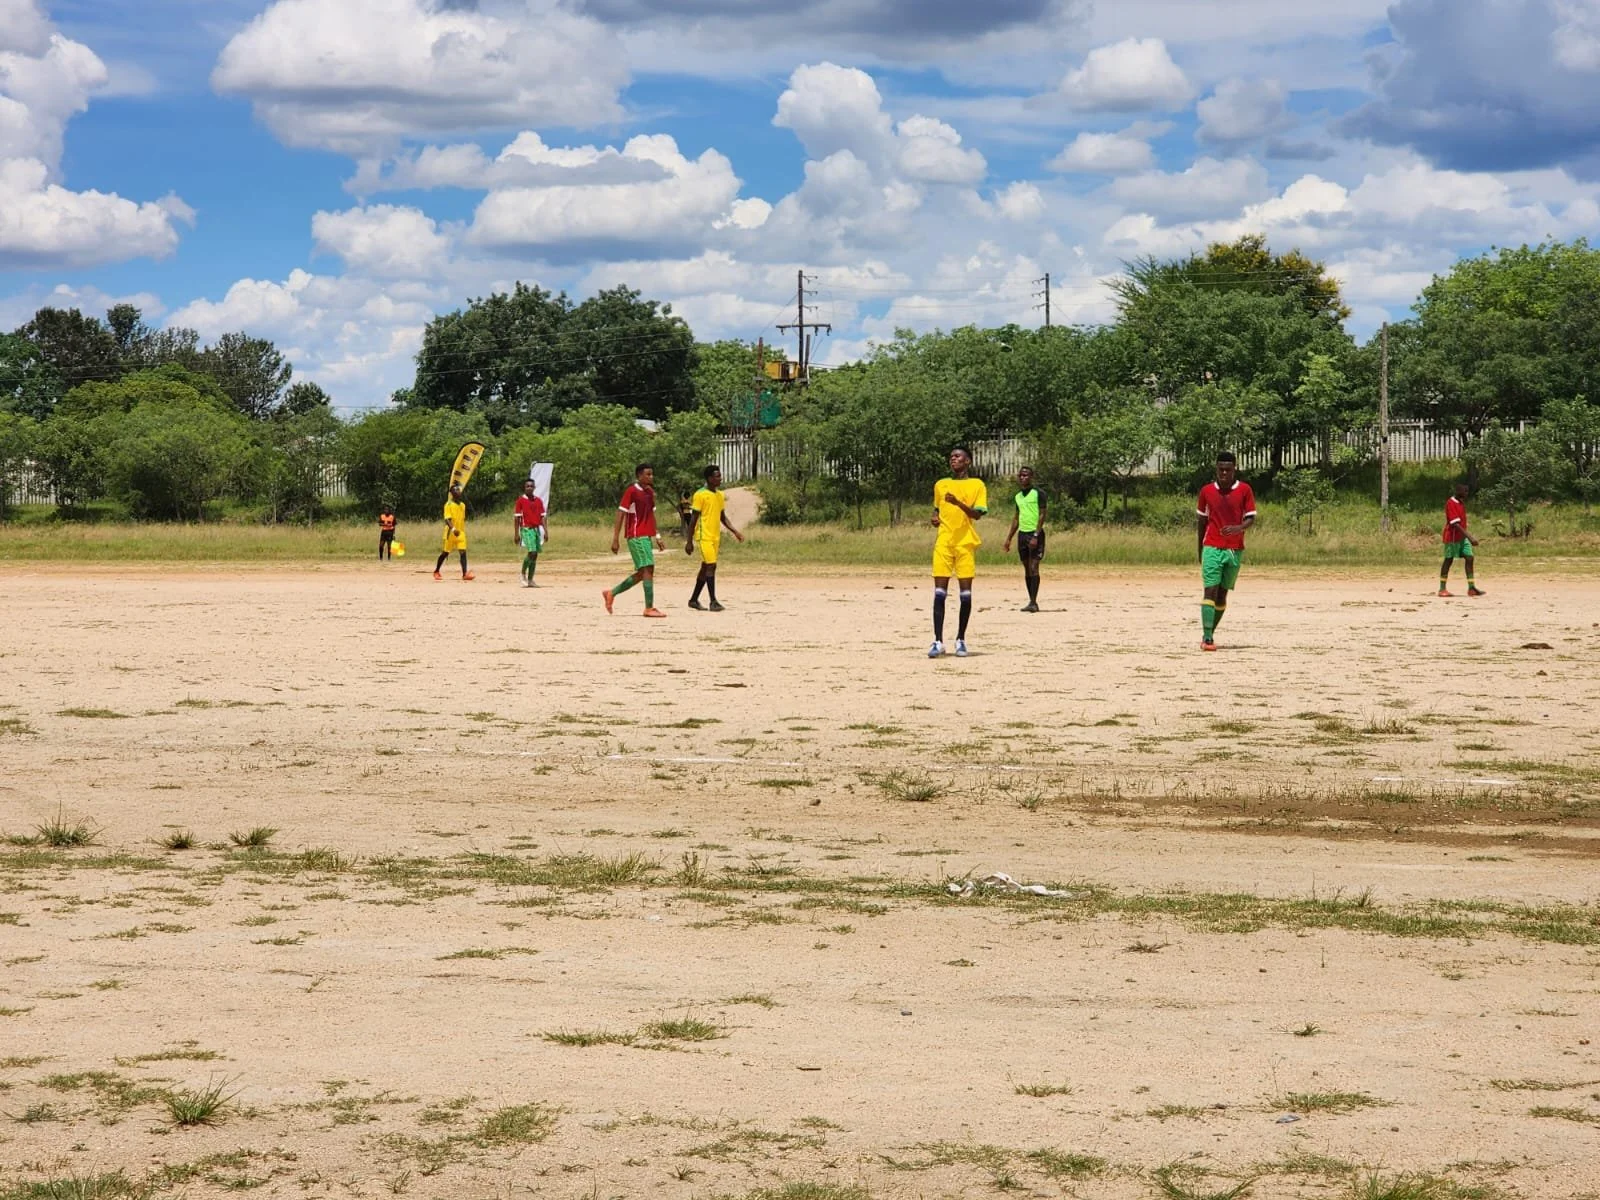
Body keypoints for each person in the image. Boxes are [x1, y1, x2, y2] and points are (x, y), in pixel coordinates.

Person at [929, 447, 987, 659]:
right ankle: (937, 641)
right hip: (944, 542)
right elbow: (937, 509)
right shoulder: (941, 484)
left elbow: (977, 515)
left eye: (958, 456)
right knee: (939, 593)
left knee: (965, 594)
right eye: (951, 456)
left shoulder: (977, 485)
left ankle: (961, 639)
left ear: (968, 461)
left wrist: (958, 503)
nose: (953, 459)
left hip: (965, 543)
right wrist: (935, 518)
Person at [1196, 451, 1256, 651]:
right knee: (1210, 590)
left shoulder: (1244, 490)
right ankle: (1208, 638)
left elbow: (1250, 517)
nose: (1223, 473)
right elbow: (1201, 521)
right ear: (1216, 469)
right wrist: (1200, 549)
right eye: (1220, 469)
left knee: (1222, 594)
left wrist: (1238, 528)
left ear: (1234, 469)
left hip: (1234, 549)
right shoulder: (1206, 491)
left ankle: (1209, 632)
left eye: (1227, 469)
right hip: (1212, 546)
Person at [603, 463, 667, 617]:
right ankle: (649, 608)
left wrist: (657, 536)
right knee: (647, 569)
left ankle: (611, 593)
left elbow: (651, 516)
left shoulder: (650, 493)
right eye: (648, 474)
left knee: (643, 572)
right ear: (639, 476)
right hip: (636, 535)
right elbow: (621, 514)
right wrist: (615, 538)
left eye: (652, 474)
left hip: (646, 536)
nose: (651, 477)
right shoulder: (632, 491)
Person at [686, 464, 745, 611]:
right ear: (709, 478)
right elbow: (693, 520)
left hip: (715, 536)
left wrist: (735, 532)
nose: (720, 478)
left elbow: (723, 518)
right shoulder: (700, 495)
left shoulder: (719, 495)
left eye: (720, 475)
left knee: (706, 567)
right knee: (711, 565)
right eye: (717, 476)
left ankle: (693, 600)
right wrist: (689, 542)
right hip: (703, 536)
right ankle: (713, 601)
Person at [1001, 465, 1046, 612]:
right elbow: (1016, 518)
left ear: (1031, 477)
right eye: (1020, 475)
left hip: (1035, 534)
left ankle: (1034, 602)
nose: (1022, 478)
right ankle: (1030, 601)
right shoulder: (1018, 496)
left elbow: (1042, 515)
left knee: (1034, 566)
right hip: (1022, 534)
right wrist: (1009, 538)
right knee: (1026, 568)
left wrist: (1036, 535)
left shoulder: (1039, 493)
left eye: (1026, 475)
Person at [1439, 481, 1484, 597]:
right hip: (1452, 537)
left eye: (1467, 491)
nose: (1467, 493)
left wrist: (1466, 537)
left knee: (1469, 557)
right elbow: (1455, 524)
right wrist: (1470, 537)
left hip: (1462, 538)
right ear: (1458, 491)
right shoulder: (1451, 503)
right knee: (1448, 560)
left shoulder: (1461, 502)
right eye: (1465, 491)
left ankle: (1471, 588)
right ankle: (1442, 589)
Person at [433, 483, 473, 581]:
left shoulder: (463, 505)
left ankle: (465, 574)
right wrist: (453, 529)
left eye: (459, 490)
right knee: (445, 553)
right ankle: (436, 571)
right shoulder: (448, 505)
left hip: (461, 532)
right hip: (451, 532)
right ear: (451, 493)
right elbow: (447, 519)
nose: (458, 491)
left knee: (463, 552)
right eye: (456, 490)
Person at [513, 479, 546, 589]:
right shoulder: (520, 501)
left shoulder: (538, 501)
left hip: (536, 529)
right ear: (524, 488)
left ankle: (530, 579)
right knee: (531, 552)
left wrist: (546, 531)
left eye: (531, 486)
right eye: (527, 486)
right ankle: (522, 574)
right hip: (526, 529)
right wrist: (516, 534)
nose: (529, 488)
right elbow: (517, 518)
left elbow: (543, 517)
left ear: (534, 487)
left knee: (535, 555)